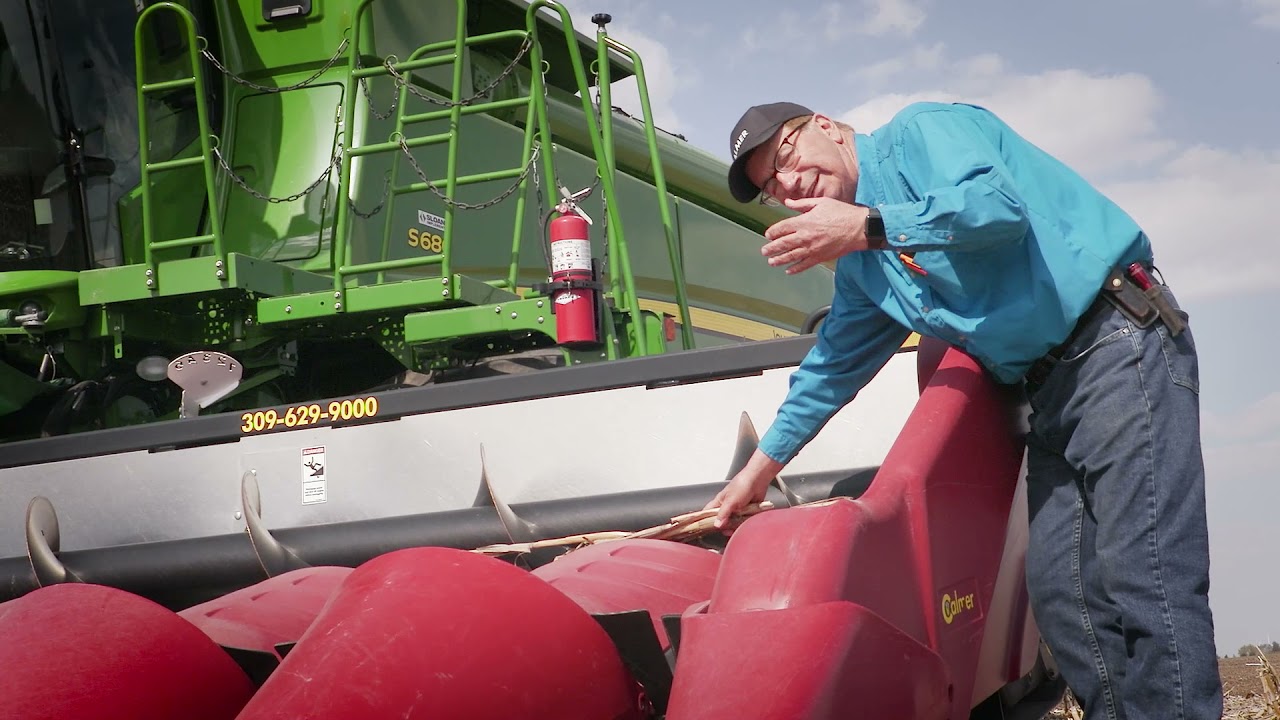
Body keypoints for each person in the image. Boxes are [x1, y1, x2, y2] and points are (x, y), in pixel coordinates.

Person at [706, 100, 1221, 720]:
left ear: (824, 125)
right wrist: (754, 475)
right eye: (769, 184)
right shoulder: (864, 273)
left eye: (784, 156)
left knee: (1147, 579)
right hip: (1047, 389)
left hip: (1114, 341)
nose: (786, 182)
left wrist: (866, 225)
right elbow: (829, 369)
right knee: (1063, 595)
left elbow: (996, 210)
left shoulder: (921, 133)